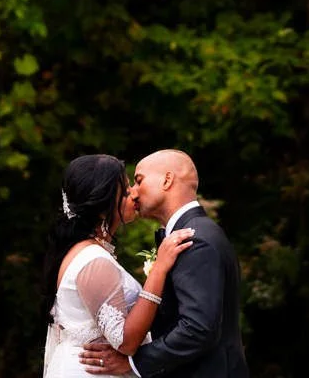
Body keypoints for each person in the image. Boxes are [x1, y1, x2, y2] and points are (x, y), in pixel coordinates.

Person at [81, 149, 250, 378]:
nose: (132, 192)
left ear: (167, 180)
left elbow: (198, 329)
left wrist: (134, 364)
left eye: (139, 180)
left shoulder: (196, 239)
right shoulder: (186, 236)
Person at [43, 153, 197, 378]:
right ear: (103, 207)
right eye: (125, 191)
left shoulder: (87, 251)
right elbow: (125, 341)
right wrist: (159, 269)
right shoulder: (92, 261)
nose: (134, 194)